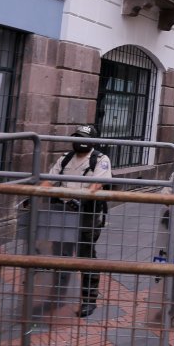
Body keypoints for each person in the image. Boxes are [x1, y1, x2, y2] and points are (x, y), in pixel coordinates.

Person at [43, 124, 113, 319]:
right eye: (77, 137)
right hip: (63, 213)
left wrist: (79, 199)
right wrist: (33, 194)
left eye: (83, 138)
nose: (79, 141)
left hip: (87, 213)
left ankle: (89, 299)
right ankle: (57, 295)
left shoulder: (100, 159)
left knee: (86, 255)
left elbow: (97, 184)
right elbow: (49, 179)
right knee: (61, 255)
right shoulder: (65, 158)